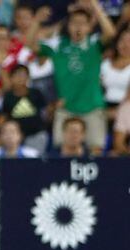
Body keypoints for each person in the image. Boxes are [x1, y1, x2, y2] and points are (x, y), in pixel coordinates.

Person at [28, 0, 115, 155]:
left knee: (95, 151)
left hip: (93, 107)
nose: (78, 27)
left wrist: (95, 6)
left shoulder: (94, 44)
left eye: (83, 23)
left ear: (89, 27)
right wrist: (36, 21)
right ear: (68, 26)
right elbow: (30, 44)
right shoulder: (58, 45)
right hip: (66, 108)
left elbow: (111, 33)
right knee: (63, 151)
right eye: (74, 23)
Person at [0, 65, 49, 153]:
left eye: (23, 75)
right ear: (11, 78)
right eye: (17, 75)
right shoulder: (8, 97)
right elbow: (4, 116)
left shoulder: (36, 93)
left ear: (28, 77)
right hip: (14, 138)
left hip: (35, 135)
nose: (20, 78)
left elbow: (45, 113)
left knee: (33, 162)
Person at [100, 28, 130, 112]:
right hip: (103, 107)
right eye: (122, 40)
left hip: (126, 110)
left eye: (129, 41)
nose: (125, 45)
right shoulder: (105, 64)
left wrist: (116, 112)